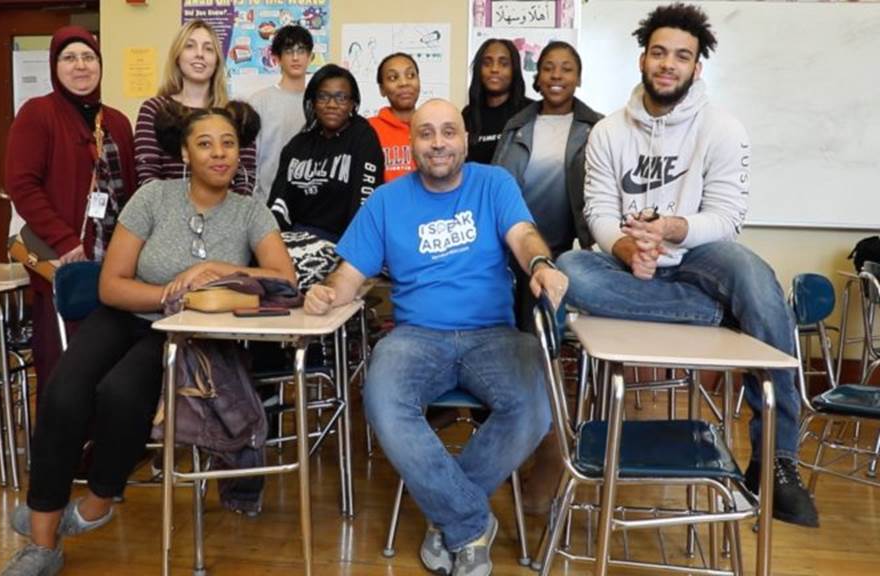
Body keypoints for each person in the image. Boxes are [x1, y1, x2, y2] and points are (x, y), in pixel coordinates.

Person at [0, 104, 297, 576]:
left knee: (121, 394)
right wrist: (169, 292)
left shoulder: (249, 212)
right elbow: (111, 285)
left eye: (228, 143)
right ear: (184, 153)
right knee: (63, 392)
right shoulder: (153, 197)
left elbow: (285, 279)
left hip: (189, 333)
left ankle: (98, 503)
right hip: (128, 314)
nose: (219, 153)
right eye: (205, 143)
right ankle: (42, 543)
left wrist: (219, 269)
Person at [556, 2, 819, 527]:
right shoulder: (607, 132)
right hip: (631, 261)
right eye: (659, 53)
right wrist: (628, 249)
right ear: (642, 60)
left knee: (755, 278)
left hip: (699, 253)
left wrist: (674, 229)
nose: (668, 64)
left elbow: (726, 216)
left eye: (682, 56)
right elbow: (600, 213)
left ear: (697, 67)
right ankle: (714, 313)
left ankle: (778, 458)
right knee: (570, 268)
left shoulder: (722, 128)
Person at [303, 99, 565, 575]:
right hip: (416, 337)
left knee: (537, 402)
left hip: (493, 335)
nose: (438, 142)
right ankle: (469, 522)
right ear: (412, 143)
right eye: (426, 133)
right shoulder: (386, 200)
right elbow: (348, 277)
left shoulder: (494, 184)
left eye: (449, 132)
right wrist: (326, 295)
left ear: (465, 141)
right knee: (382, 400)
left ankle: (448, 517)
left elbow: (524, 235)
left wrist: (541, 264)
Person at [491, 40, 602, 515]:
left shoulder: (595, 128)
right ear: (537, 77)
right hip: (516, 248)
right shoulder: (518, 124)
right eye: (549, 68)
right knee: (519, 341)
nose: (557, 75)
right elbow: (497, 184)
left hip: (565, 249)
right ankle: (524, 432)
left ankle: (553, 446)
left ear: (578, 77)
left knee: (551, 344)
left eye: (567, 68)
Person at [6, 26, 137, 397]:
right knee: (64, 360)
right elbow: (23, 187)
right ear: (54, 65)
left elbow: (130, 192)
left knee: (113, 356)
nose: (81, 66)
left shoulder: (117, 121)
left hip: (114, 260)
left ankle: (104, 444)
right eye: (69, 58)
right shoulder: (38, 113)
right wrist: (65, 241)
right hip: (65, 261)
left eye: (88, 57)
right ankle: (64, 448)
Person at [133, 20, 257, 195]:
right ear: (177, 56)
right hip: (167, 217)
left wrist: (230, 216)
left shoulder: (235, 115)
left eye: (208, 49)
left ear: (217, 60)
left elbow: (246, 175)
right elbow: (148, 175)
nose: (199, 54)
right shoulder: (155, 109)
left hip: (226, 217)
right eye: (190, 46)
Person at [267, 64, 385, 243]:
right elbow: (278, 203)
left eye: (341, 98)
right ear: (313, 102)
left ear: (352, 103)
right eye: (323, 97)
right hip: (294, 239)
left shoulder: (363, 138)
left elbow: (364, 205)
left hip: (343, 242)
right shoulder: (298, 145)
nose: (331, 104)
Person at [247, 24, 314, 204]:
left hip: (308, 206)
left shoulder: (318, 104)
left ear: (310, 57)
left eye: (301, 50)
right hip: (265, 204)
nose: (295, 57)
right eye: (288, 51)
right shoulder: (258, 102)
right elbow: (249, 160)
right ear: (277, 58)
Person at [462, 39, 533, 165]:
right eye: (487, 63)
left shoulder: (530, 111)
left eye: (504, 64)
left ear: (514, 70)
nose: (494, 69)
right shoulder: (468, 115)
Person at [368, 52, 420, 182]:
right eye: (393, 78)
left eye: (411, 75)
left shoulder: (432, 126)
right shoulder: (368, 130)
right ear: (382, 89)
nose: (404, 83)